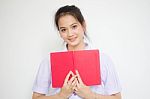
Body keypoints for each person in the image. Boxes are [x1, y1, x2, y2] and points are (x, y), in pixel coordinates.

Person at [32, 5, 122, 99]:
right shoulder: (49, 61)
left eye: (74, 26)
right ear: (59, 33)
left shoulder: (103, 59)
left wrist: (91, 95)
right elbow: (36, 97)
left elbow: (117, 97)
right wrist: (61, 95)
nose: (70, 34)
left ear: (83, 26)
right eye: (63, 30)